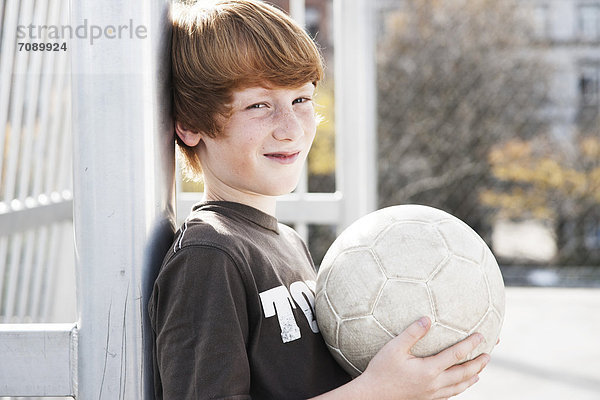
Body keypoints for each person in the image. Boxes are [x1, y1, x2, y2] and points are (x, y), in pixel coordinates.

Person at [148, 1, 491, 399]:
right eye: (259, 105)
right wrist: (377, 391)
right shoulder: (208, 256)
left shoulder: (287, 243)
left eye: (301, 100)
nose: (290, 129)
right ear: (190, 124)